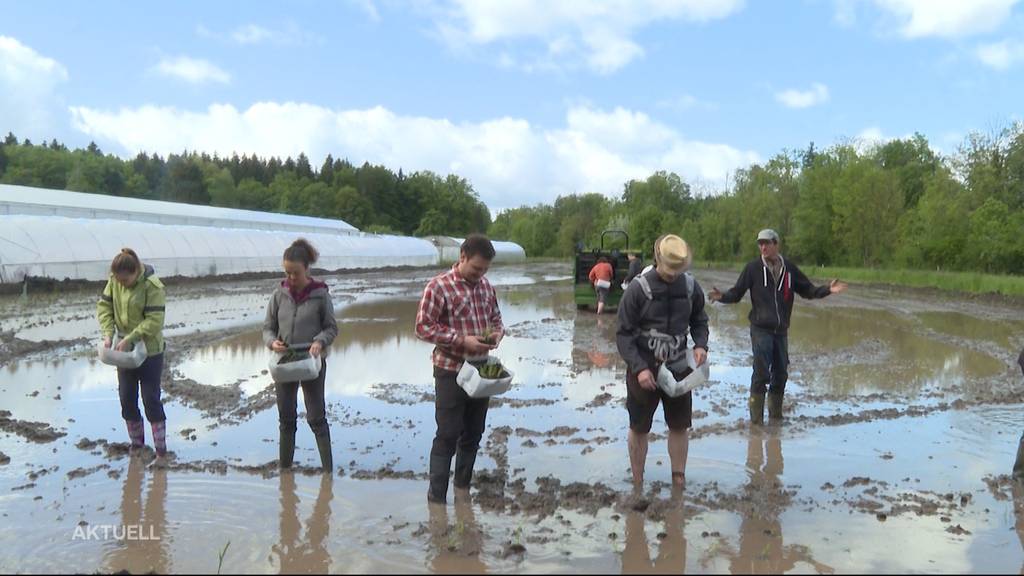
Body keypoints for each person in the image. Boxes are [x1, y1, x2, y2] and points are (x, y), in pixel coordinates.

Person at [707, 229, 847, 425]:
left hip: (781, 331)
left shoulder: (789, 269)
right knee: (761, 373)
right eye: (760, 244)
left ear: (776, 244)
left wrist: (828, 290)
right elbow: (737, 293)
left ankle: (775, 418)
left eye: (767, 243)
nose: (763, 247)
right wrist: (722, 296)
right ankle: (756, 422)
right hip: (760, 329)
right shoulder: (753, 268)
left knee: (781, 373)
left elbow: (808, 290)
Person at [415, 234, 504, 504]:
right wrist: (461, 340)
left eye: (485, 269)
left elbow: (497, 319)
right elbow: (422, 327)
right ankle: (437, 499)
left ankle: (462, 489)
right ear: (462, 257)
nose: (480, 274)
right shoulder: (439, 287)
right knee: (447, 433)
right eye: (477, 268)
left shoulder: (487, 287)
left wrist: (498, 334)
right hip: (450, 369)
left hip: (481, 371)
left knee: (474, 432)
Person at [616, 234, 709, 490]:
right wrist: (640, 368)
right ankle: (638, 481)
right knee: (639, 427)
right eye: (669, 270)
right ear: (658, 259)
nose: (673, 275)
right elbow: (623, 334)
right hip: (644, 366)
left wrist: (700, 344)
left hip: (679, 366)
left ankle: (678, 478)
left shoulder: (690, 287)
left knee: (680, 425)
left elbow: (700, 319)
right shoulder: (638, 289)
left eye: (677, 270)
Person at [263, 239, 338, 472]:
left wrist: (319, 341)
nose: (291, 278)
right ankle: (285, 471)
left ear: (307, 269)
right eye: (287, 273)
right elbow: (267, 327)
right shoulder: (278, 295)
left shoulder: (320, 295)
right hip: (285, 363)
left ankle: (328, 473)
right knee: (286, 420)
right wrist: (271, 342)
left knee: (316, 417)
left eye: (295, 273)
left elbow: (331, 328)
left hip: (311, 363)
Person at [97, 248, 169, 466]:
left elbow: (155, 320)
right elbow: (104, 308)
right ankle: (137, 446)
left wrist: (132, 336)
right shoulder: (114, 282)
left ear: (136, 272)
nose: (122, 284)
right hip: (125, 353)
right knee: (127, 400)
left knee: (151, 400)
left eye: (126, 280)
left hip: (150, 351)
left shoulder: (152, 286)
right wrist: (108, 335)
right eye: (119, 281)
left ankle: (161, 453)